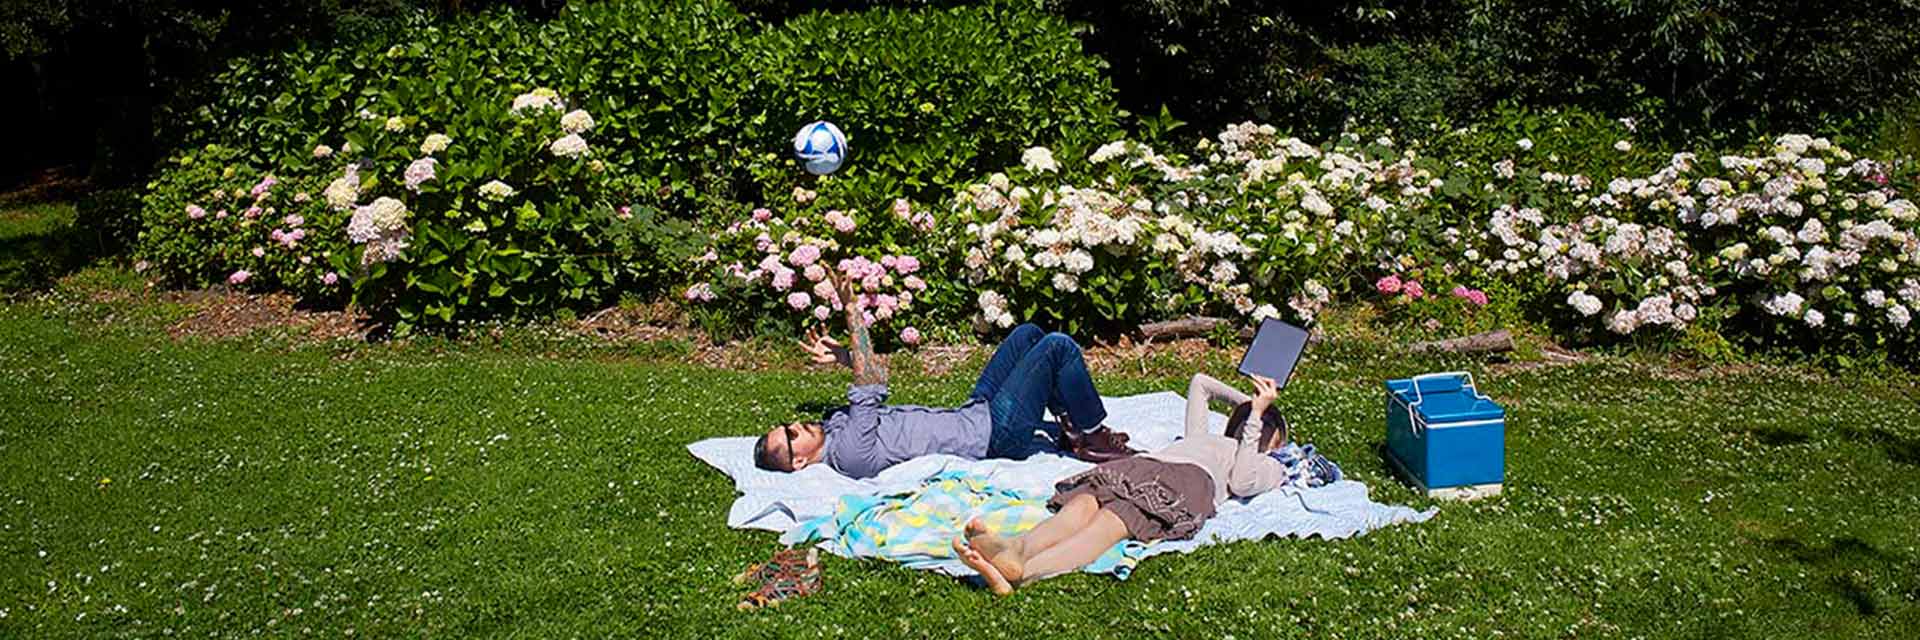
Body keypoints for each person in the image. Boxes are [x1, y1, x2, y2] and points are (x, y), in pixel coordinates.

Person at [952, 373, 1292, 595]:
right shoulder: (1202, 436)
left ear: (1277, 442)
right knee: (1079, 506)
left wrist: (1259, 416)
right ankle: (1017, 551)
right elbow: (1200, 383)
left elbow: (1243, 481)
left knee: (1107, 526)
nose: (1259, 425)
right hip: (1144, 465)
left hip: (1187, 481)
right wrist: (1250, 404)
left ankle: (1024, 574)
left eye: (1268, 426)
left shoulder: (1268, 464)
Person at [752, 277, 1110, 479]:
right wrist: (851, 311)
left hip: (975, 412)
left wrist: (845, 357)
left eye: (788, 423)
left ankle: (1071, 430)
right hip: (996, 438)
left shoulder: (836, 425)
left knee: (1028, 334)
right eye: (789, 434)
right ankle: (1093, 436)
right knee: (1056, 347)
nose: (796, 424)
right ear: (798, 462)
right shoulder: (848, 454)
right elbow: (866, 382)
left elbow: (876, 377)